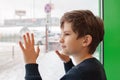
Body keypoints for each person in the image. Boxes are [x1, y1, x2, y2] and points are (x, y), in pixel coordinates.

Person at [19, 10, 107, 80]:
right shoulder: (95, 66)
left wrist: (30, 63)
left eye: (67, 34)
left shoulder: (79, 74)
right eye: (61, 34)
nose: (60, 40)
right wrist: (68, 62)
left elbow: (75, 76)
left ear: (85, 40)